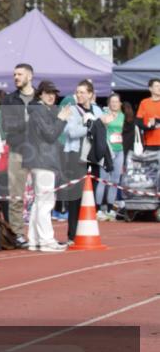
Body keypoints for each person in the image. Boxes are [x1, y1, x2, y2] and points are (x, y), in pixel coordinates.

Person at [25, 81, 71, 251]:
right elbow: (51, 135)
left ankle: (35, 239)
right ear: (40, 94)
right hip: (44, 161)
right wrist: (61, 120)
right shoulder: (39, 110)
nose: (52, 96)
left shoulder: (38, 109)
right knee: (46, 202)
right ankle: (46, 240)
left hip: (40, 160)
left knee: (39, 202)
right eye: (48, 92)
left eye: (54, 93)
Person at [0, 63, 38, 248]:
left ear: (29, 76)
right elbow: (8, 125)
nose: (16, 77)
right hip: (17, 150)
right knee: (16, 195)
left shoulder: (40, 97)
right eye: (14, 74)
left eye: (20, 74)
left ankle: (40, 233)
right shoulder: (9, 100)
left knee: (43, 195)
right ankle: (17, 234)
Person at [62, 80, 103, 244]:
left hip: (93, 156)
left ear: (90, 94)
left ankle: (86, 230)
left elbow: (103, 130)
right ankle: (72, 234)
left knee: (90, 194)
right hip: (75, 155)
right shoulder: (71, 110)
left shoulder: (97, 110)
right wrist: (91, 128)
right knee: (75, 195)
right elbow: (71, 132)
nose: (79, 95)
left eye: (83, 92)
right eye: (77, 92)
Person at [96, 92, 127, 220]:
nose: (114, 104)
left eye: (116, 102)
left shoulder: (124, 117)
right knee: (103, 179)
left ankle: (109, 208)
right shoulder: (104, 116)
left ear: (120, 104)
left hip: (119, 150)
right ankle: (98, 209)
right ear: (109, 104)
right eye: (112, 102)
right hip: (107, 151)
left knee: (115, 181)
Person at [137, 78, 160, 151]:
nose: (159, 88)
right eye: (157, 86)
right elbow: (138, 121)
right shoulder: (144, 103)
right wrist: (148, 127)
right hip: (149, 143)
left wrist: (157, 121)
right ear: (150, 89)